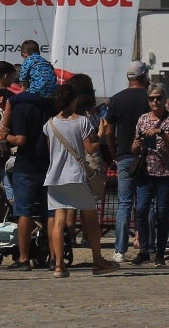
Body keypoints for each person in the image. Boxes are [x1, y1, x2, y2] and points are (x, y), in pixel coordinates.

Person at [43, 74, 117, 277]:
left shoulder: (49, 124)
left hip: (55, 177)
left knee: (58, 220)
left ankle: (58, 264)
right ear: (73, 100)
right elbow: (90, 149)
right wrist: (101, 135)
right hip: (76, 175)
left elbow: (51, 150)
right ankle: (97, 260)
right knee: (90, 218)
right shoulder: (82, 121)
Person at [0, 81, 52, 270]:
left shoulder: (20, 107)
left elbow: (20, 139)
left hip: (26, 165)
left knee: (24, 212)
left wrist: (5, 135)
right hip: (47, 164)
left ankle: (23, 258)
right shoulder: (50, 105)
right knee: (49, 212)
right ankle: (54, 257)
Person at [101, 62, 151, 262]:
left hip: (123, 156)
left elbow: (108, 132)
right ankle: (146, 245)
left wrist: (114, 154)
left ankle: (120, 249)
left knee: (124, 204)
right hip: (148, 155)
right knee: (146, 203)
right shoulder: (150, 97)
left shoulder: (117, 99)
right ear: (144, 75)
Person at [131, 83, 169, 264]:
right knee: (142, 210)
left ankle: (160, 253)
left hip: (166, 172)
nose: (155, 101)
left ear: (164, 99)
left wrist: (161, 133)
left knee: (162, 214)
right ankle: (145, 249)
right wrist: (137, 145)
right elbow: (134, 147)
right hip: (145, 171)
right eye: (151, 98)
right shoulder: (143, 119)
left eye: (158, 98)